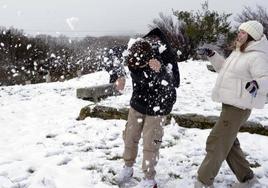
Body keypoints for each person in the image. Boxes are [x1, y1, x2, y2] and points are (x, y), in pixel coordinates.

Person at [195, 20, 268, 188]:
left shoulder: (257, 56)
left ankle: (203, 181)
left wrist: (256, 84)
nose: (239, 34)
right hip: (230, 104)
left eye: (243, 32)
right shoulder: (240, 52)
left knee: (216, 140)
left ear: (252, 36)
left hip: (238, 107)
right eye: (239, 31)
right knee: (228, 143)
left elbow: (265, 79)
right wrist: (213, 55)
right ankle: (247, 178)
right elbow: (224, 69)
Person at [115, 28, 180, 188]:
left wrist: (162, 72)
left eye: (141, 65)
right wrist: (118, 75)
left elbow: (174, 83)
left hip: (159, 105)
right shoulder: (133, 50)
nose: (137, 68)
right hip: (138, 101)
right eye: (133, 65)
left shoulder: (164, 56)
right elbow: (114, 55)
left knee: (152, 141)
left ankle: (149, 178)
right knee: (129, 135)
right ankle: (128, 167)